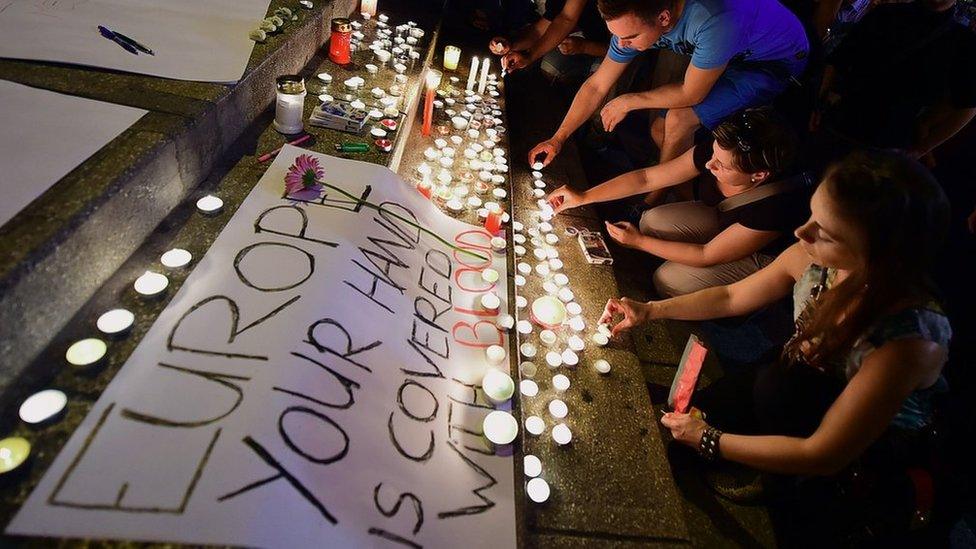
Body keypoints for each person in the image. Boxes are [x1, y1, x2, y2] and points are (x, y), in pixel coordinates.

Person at [601, 151, 952, 541]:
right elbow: (731, 297)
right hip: (795, 370)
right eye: (812, 213)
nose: (802, 233)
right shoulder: (811, 254)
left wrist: (710, 438)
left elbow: (824, 453)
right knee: (683, 431)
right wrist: (649, 310)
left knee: (789, 501)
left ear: (878, 257)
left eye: (827, 233)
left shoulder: (910, 340)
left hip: (862, 443)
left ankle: (776, 482)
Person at [548, 108, 810, 297]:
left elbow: (707, 255)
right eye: (713, 154)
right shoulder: (722, 149)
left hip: (759, 251)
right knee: (653, 220)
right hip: (724, 218)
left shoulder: (775, 207)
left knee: (669, 280)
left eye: (722, 166)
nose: (709, 165)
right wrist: (583, 196)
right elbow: (646, 178)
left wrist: (640, 242)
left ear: (759, 175)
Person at [528, 0, 809, 173]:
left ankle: (649, 205)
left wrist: (629, 100)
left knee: (678, 119)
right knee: (658, 129)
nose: (620, 44)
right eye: (616, 36)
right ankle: (674, 188)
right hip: (730, 50)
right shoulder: (636, 20)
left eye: (629, 37)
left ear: (664, 18)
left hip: (770, 63)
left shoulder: (714, 19)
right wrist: (558, 138)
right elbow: (597, 85)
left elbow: (691, 92)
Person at [810, 0, 976, 164]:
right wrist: (818, 104)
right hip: (841, 124)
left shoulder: (962, 43)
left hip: (886, 147)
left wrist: (921, 149)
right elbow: (839, 61)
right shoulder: (886, 13)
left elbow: (968, 107)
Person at [489, 0, 609, 84]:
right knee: (550, 67)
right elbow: (542, 29)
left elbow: (622, 50)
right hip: (587, 39)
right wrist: (511, 45)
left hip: (612, 48)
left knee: (600, 81)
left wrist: (584, 47)